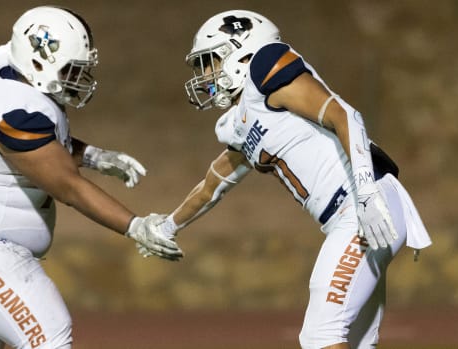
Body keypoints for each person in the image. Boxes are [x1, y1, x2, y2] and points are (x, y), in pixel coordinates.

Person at [137, 9, 432, 349]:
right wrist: (168, 226)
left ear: (241, 52)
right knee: (355, 341)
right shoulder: (240, 121)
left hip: (364, 205)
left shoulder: (266, 67)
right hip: (353, 212)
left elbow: (345, 115)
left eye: (211, 61)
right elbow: (212, 184)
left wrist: (366, 194)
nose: (205, 75)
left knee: (321, 336)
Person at [0, 6, 182, 349]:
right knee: (48, 335)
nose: (77, 78)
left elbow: (40, 147)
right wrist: (134, 225)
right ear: (38, 62)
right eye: (70, 68)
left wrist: (94, 156)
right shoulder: (15, 107)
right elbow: (66, 186)